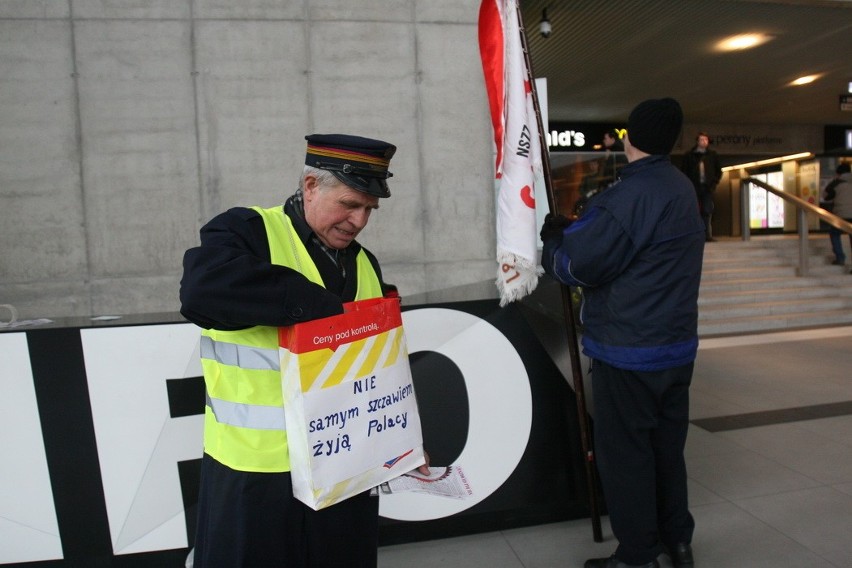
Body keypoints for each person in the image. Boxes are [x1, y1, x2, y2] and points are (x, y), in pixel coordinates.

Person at [180, 133, 427, 567]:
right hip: (258, 474)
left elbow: (378, 370)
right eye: (350, 204)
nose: (359, 221)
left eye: (369, 209)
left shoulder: (366, 263)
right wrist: (319, 308)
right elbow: (201, 291)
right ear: (311, 186)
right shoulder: (247, 230)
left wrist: (402, 444)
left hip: (343, 472)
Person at [540, 98, 704, 568]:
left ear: (629, 137)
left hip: (629, 351)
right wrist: (582, 228)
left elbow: (577, 266)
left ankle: (637, 556)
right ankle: (678, 542)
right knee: (667, 451)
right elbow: (639, 248)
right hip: (676, 349)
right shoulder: (679, 187)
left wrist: (555, 242)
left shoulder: (628, 196)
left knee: (627, 456)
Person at [680, 132, 722, 242]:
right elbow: (684, 171)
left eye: (706, 140)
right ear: (697, 141)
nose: (704, 142)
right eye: (702, 139)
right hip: (694, 187)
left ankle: (707, 235)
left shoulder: (712, 155)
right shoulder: (689, 156)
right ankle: (694, 235)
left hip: (707, 187)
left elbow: (718, 171)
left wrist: (713, 183)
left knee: (707, 210)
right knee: (693, 210)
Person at [826, 162, 852, 268]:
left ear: (838, 173)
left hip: (841, 215)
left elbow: (826, 196)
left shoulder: (836, 182)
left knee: (834, 233)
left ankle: (840, 257)